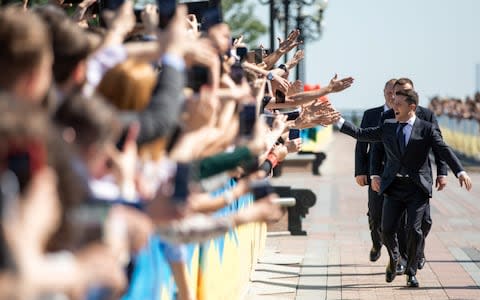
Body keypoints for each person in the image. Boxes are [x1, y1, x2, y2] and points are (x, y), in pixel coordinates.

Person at [335, 88, 473, 288]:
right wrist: (337, 120)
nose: (394, 106)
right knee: (387, 229)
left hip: (417, 188)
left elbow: (443, 149)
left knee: (414, 230)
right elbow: (360, 134)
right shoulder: (388, 126)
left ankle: (411, 271)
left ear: (412, 107)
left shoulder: (426, 128)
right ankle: (394, 258)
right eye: (393, 102)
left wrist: (460, 172)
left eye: (399, 103)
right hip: (394, 187)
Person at [370, 78, 448, 271]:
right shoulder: (389, 117)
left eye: (403, 93)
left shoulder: (427, 116)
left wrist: (442, 172)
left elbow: (440, 147)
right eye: (395, 93)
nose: (396, 97)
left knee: (425, 222)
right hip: (395, 181)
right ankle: (404, 260)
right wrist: (373, 174)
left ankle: (417, 251)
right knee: (400, 225)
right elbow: (377, 148)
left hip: (420, 180)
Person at [354, 78, 396, 262]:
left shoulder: (411, 115)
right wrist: (360, 171)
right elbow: (361, 145)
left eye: (397, 93)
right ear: (384, 93)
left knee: (398, 215)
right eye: (389, 93)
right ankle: (376, 243)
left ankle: (398, 255)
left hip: (398, 172)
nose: (393, 97)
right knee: (375, 213)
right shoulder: (371, 115)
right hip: (375, 171)